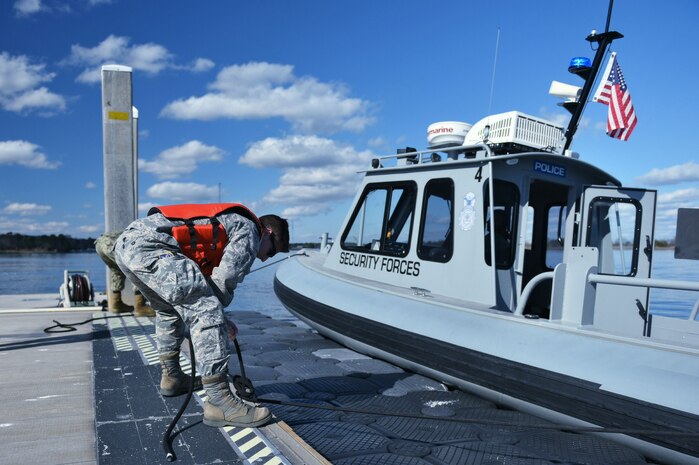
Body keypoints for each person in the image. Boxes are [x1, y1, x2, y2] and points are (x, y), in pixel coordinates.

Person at [115, 203, 289, 428]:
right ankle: (220, 402)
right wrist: (219, 318)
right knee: (207, 309)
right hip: (151, 247)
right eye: (272, 251)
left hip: (127, 245)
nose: (266, 258)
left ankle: (172, 377)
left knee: (168, 310)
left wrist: (217, 314)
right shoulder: (250, 230)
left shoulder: (230, 224)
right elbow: (224, 282)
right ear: (268, 232)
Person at [95, 231, 155, 316]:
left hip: (100, 243)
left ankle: (117, 304)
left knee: (117, 270)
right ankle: (140, 306)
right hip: (112, 243)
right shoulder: (151, 234)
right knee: (137, 270)